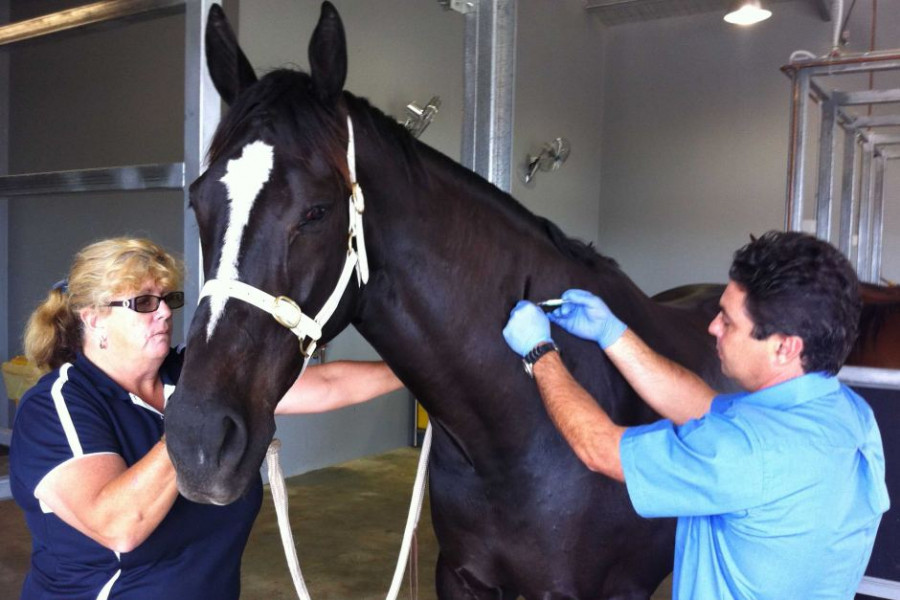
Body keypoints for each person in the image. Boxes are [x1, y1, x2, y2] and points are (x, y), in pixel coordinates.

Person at [9, 237, 403, 599]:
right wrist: (194, 411)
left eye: (168, 299)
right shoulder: (56, 407)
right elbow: (120, 526)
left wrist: (427, 373)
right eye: (143, 303)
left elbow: (329, 384)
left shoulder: (190, 372)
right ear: (93, 318)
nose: (164, 313)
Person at [502, 230, 889, 599]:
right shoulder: (848, 414)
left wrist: (539, 352)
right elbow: (702, 406)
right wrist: (611, 333)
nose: (713, 326)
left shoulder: (744, 450)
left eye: (729, 321)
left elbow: (599, 449)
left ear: (785, 348)